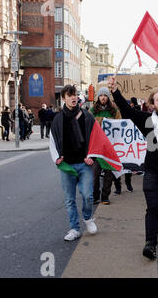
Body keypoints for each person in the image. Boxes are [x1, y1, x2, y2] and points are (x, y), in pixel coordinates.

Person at [108, 77, 158, 260]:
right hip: (152, 172)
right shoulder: (146, 120)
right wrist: (115, 91)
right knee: (153, 207)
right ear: (152, 104)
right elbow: (127, 110)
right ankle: (150, 243)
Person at [49, 85, 98, 241]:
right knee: (70, 199)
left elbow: (96, 138)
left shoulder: (87, 116)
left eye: (75, 94)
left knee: (88, 196)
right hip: (67, 165)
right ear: (64, 98)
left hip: (85, 164)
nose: (73, 97)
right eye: (70, 95)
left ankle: (88, 218)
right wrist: (56, 158)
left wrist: (92, 156)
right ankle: (74, 229)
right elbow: (52, 140)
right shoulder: (58, 119)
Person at [90, 87, 122, 205]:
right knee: (95, 174)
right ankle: (95, 195)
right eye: (101, 95)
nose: (103, 97)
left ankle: (105, 196)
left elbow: (119, 125)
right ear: (98, 97)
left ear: (108, 97)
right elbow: (89, 123)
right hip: (97, 147)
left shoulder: (114, 111)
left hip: (110, 147)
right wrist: (103, 120)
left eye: (105, 95)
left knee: (109, 174)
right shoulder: (93, 110)